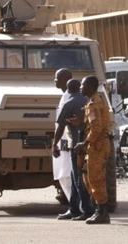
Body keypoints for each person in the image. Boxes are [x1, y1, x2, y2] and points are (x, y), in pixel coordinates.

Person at [71, 76, 113, 225]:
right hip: (95, 146)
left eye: (83, 85)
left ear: (90, 86)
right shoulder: (93, 101)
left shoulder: (94, 103)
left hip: (98, 146)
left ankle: (102, 212)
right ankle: (99, 210)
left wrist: (83, 144)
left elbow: (96, 129)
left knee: (96, 178)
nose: (81, 88)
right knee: (88, 178)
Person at [52, 78, 94, 221]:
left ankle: (88, 210)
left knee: (78, 179)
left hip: (76, 145)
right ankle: (74, 209)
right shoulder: (88, 101)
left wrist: (54, 145)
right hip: (87, 144)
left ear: (68, 89)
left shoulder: (69, 103)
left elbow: (60, 127)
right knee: (75, 176)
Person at [52, 69, 72, 206]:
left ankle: (76, 207)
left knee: (66, 176)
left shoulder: (68, 97)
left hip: (67, 143)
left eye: (57, 78)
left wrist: (56, 143)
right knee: (65, 176)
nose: (55, 81)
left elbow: (63, 123)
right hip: (64, 142)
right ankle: (75, 206)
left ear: (65, 79)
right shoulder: (65, 95)